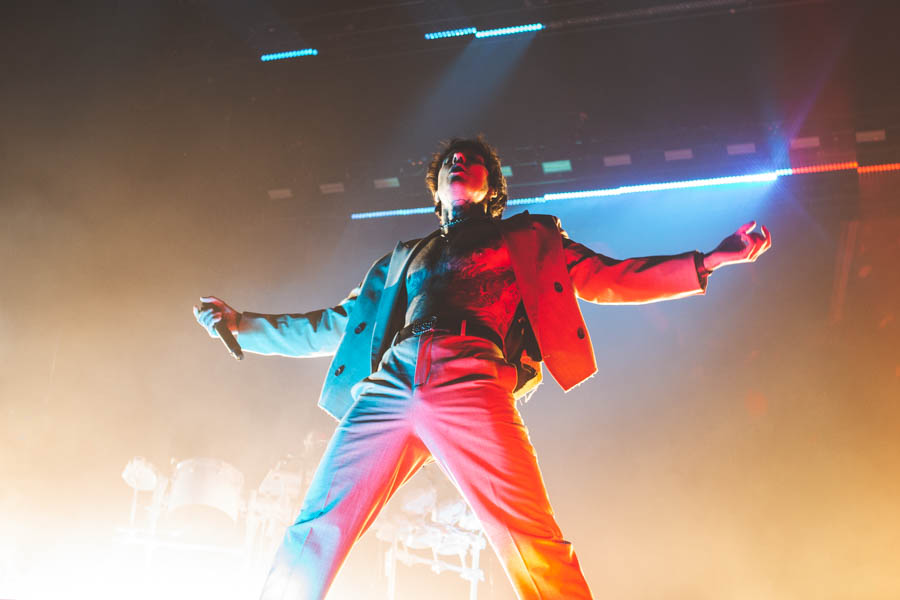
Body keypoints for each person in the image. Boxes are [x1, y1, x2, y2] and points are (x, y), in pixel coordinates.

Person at [193, 136, 771, 599]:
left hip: (472, 377)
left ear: (492, 186)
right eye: (450, 159)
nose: (459, 161)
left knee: (529, 535)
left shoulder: (526, 239)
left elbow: (608, 277)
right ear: (436, 188)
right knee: (318, 522)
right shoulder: (405, 257)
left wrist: (707, 262)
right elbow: (335, 325)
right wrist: (242, 325)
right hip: (390, 382)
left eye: (471, 159)